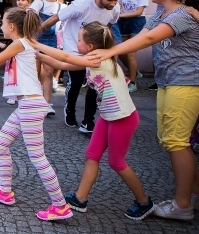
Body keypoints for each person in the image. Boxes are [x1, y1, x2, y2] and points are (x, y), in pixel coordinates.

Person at [87, 0, 199, 221]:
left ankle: (182, 205)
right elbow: (143, 34)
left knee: (176, 142)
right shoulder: (162, 10)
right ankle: (193, 192)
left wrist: (109, 52)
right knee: (170, 139)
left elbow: (150, 40)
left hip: (187, 82)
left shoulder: (182, 15)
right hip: (170, 81)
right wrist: (113, 49)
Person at [33, 23, 155, 220]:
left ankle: (144, 202)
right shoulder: (94, 57)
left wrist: (34, 43)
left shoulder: (98, 58)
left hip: (122, 118)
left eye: (79, 39)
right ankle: (80, 199)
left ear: (90, 46)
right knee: (92, 154)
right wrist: (39, 55)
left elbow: (65, 57)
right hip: (108, 115)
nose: (76, 42)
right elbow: (64, 64)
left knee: (117, 162)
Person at [0, 8, 72, 221]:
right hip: (25, 105)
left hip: (31, 105)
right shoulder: (25, 44)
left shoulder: (20, 43)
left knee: (38, 157)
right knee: (0, 144)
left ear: (11, 26)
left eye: (2, 22)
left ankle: (60, 205)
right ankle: (5, 191)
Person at [40, 0, 120, 134]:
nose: (112, 3)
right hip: (74, 47)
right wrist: (37, 31)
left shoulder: (115, 8)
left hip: (95, 50)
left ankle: (88, 119)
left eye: (115, 0)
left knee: (94, 84)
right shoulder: (81, 5)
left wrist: (107, 48)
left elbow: (109, 26)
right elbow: (57, 17)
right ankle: (70, 110)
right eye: (109, 0)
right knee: (76, 82)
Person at [29, 0, 63, 114]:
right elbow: (30, 15)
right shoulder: (39, 3)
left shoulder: (62, 7)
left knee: (49, 72)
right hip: (37, 38)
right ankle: (34, 100)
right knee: (36, 72)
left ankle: (46, 103)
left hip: (52, 40)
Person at [113, 0, 149, 92]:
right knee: (121, 52)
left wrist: (120, 15)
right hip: (122, 23)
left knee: (131, 53)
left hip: (136, 22)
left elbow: (139, 11)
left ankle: (132, 82)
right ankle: (135, 72)